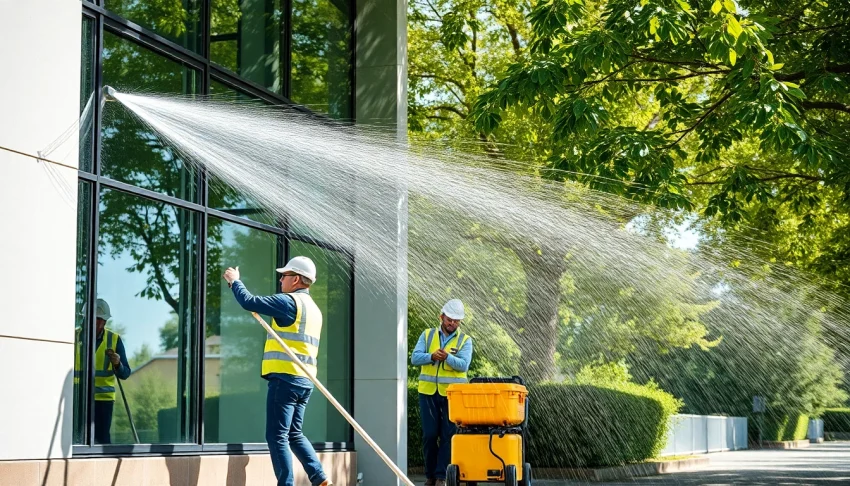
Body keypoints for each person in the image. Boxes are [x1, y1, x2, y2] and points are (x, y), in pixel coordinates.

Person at [223, 256, 333, 486]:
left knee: (277, 436)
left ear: (295, 280)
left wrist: (235, 281)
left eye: (284, 275)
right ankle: (320, 479)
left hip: (285, 379)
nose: (280, 279)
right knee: (294, 434)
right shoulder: (314, 310)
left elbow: (250, 302)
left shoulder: (289, 302)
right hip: (305, 381)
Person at [410, 299, 474, 486]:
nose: (452, 323)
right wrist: (431, 356)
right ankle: (430, 475)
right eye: (450, 319)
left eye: (456, 320)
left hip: (453, 396)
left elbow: (464, 365)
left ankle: (441, 477)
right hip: (428, 393)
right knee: (429, 435)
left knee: (448, 435)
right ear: (442, 317)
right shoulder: (428, 335)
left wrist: (447, 357)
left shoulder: (465, 340)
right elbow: (415, 358)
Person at [74, 298, 132, 444]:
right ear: (86, 318)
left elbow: (125, 374)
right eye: (96, 319)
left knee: (102, 441)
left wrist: (118, 364)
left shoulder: (114, 339)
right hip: (78, 398)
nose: (100, 323)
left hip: (103, 401)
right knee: (76, 440)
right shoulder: (73, 337)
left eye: (102, 320)